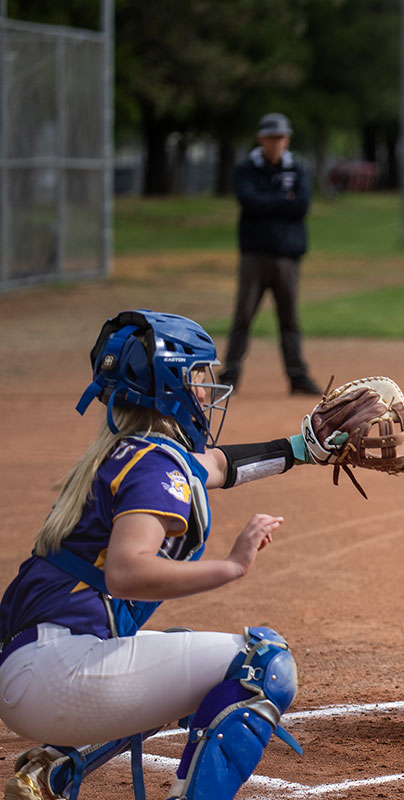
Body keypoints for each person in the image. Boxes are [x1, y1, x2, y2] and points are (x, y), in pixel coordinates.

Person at [0, 309, 328, 800]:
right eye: (198, 375)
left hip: (34, 669)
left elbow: (217, 466)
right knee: (262, 664)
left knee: (178, 651)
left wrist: (302, 448)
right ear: (170, 385)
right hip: (59, 677)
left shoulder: (126, 452)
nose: (205, 389)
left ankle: (56, 767)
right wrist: (232, 566)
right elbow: (127, 573)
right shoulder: (153, 467)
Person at [220, 112, 322, 396]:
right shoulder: (246, 169)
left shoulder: (298, 168)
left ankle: (297, 376)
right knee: (243, 316)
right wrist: (281, 201)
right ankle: (230, 375)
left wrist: (269, 203)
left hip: (288, 255)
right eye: (270, 138)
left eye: (280, 138)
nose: (276, 143)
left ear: (287, 140)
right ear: (260, 139)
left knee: (289, 318)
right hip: (255, 254)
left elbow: (301, 205)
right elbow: (248, 202)